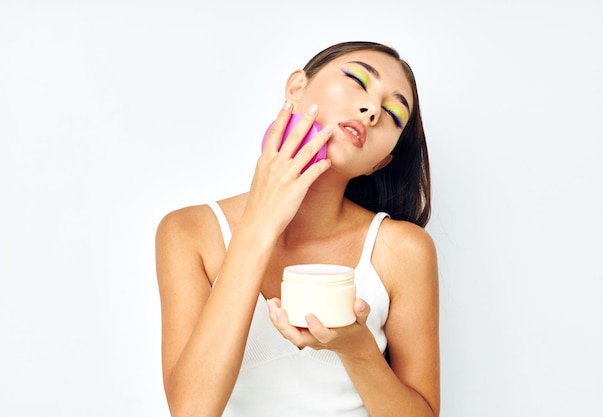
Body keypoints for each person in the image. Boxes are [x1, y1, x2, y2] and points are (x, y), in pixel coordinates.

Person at [155, 41, 440, 417]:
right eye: (357, 80)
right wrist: (259, 226)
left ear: (380, 161)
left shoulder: (401, 249)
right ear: (296, 88)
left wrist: (357, 349)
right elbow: (192, 410)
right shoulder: (189, 232)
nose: (372, 110)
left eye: (392, 113)